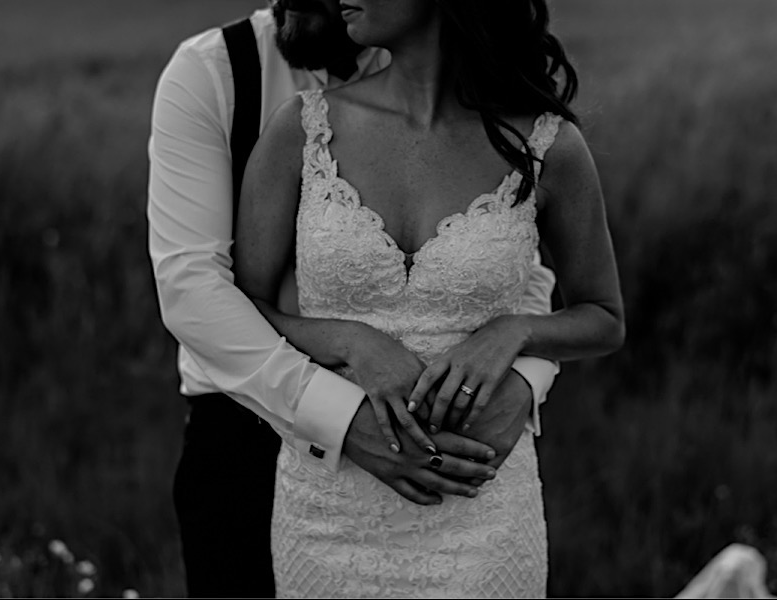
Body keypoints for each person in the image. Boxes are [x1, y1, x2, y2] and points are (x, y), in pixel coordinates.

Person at [147, 0, 561, 596]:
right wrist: (343, 418)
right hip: (243, 426)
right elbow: (191, 288)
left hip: (448, 437)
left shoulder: (449, 68)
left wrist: (523, 380)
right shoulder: (214, 70)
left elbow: (522, 269)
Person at [233, 0, 625, 596]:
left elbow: (604, 317)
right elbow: (244, 307)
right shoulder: (304, 127)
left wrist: (513, 332)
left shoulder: (547, 145)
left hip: (482, 512)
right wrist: (348, 339)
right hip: (331, 512)